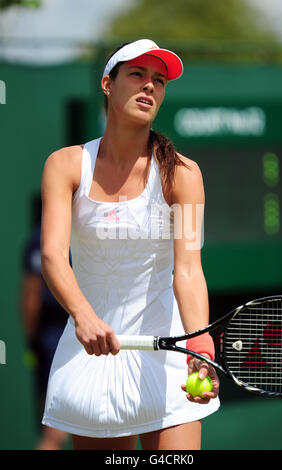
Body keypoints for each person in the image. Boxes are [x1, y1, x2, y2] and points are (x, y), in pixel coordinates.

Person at [41, 39, 220, 450]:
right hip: (88, 357)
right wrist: (84, 317)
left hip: (168, 360)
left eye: (158, 80)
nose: (149, 87)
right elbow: (53, 254)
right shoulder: (64, 165)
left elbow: (188, 269)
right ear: (108, 83)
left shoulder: (184, 174)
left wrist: (200, 346)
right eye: (137, 75)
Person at [20, 194, 69, 450]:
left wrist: (32, 341)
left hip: (57, 338)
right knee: (55, 432)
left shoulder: (36, 239)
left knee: (53, 434)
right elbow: (31, 299)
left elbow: (31, 300)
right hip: (66, 337)